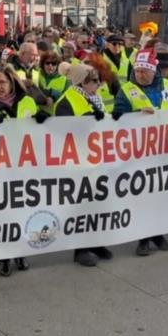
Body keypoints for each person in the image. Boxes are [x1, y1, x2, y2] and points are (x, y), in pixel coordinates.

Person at [0, 63, 40, 276]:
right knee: (2, 213)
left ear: (12, 82)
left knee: (21, 211)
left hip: (23, 166)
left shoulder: (28, 101)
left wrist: (43, 122)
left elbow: (37, 131)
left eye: (2, 82)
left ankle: (20, 252)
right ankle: (3, 256)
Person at [112, 49, 168, 256]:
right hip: (139, 153)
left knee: (162, 195)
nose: (141, 75)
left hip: (166, 150)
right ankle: (143, 238)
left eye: (145, 71)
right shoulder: (127, 90)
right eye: (138, 71)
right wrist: (136, 115)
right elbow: (117, 116)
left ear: (154, 71)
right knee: (142, 197)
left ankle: (158, 233)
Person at [54, 63, 110, 266]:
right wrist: (85, 123)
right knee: (81, 207)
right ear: (81, 82)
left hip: (96, 160)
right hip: (77, 164)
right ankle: (80, 249)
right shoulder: (66, 101)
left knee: (97, 204)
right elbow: (62, 132)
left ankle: (95, 242)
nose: (98, 84)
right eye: (94, 80)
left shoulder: (93, 98)